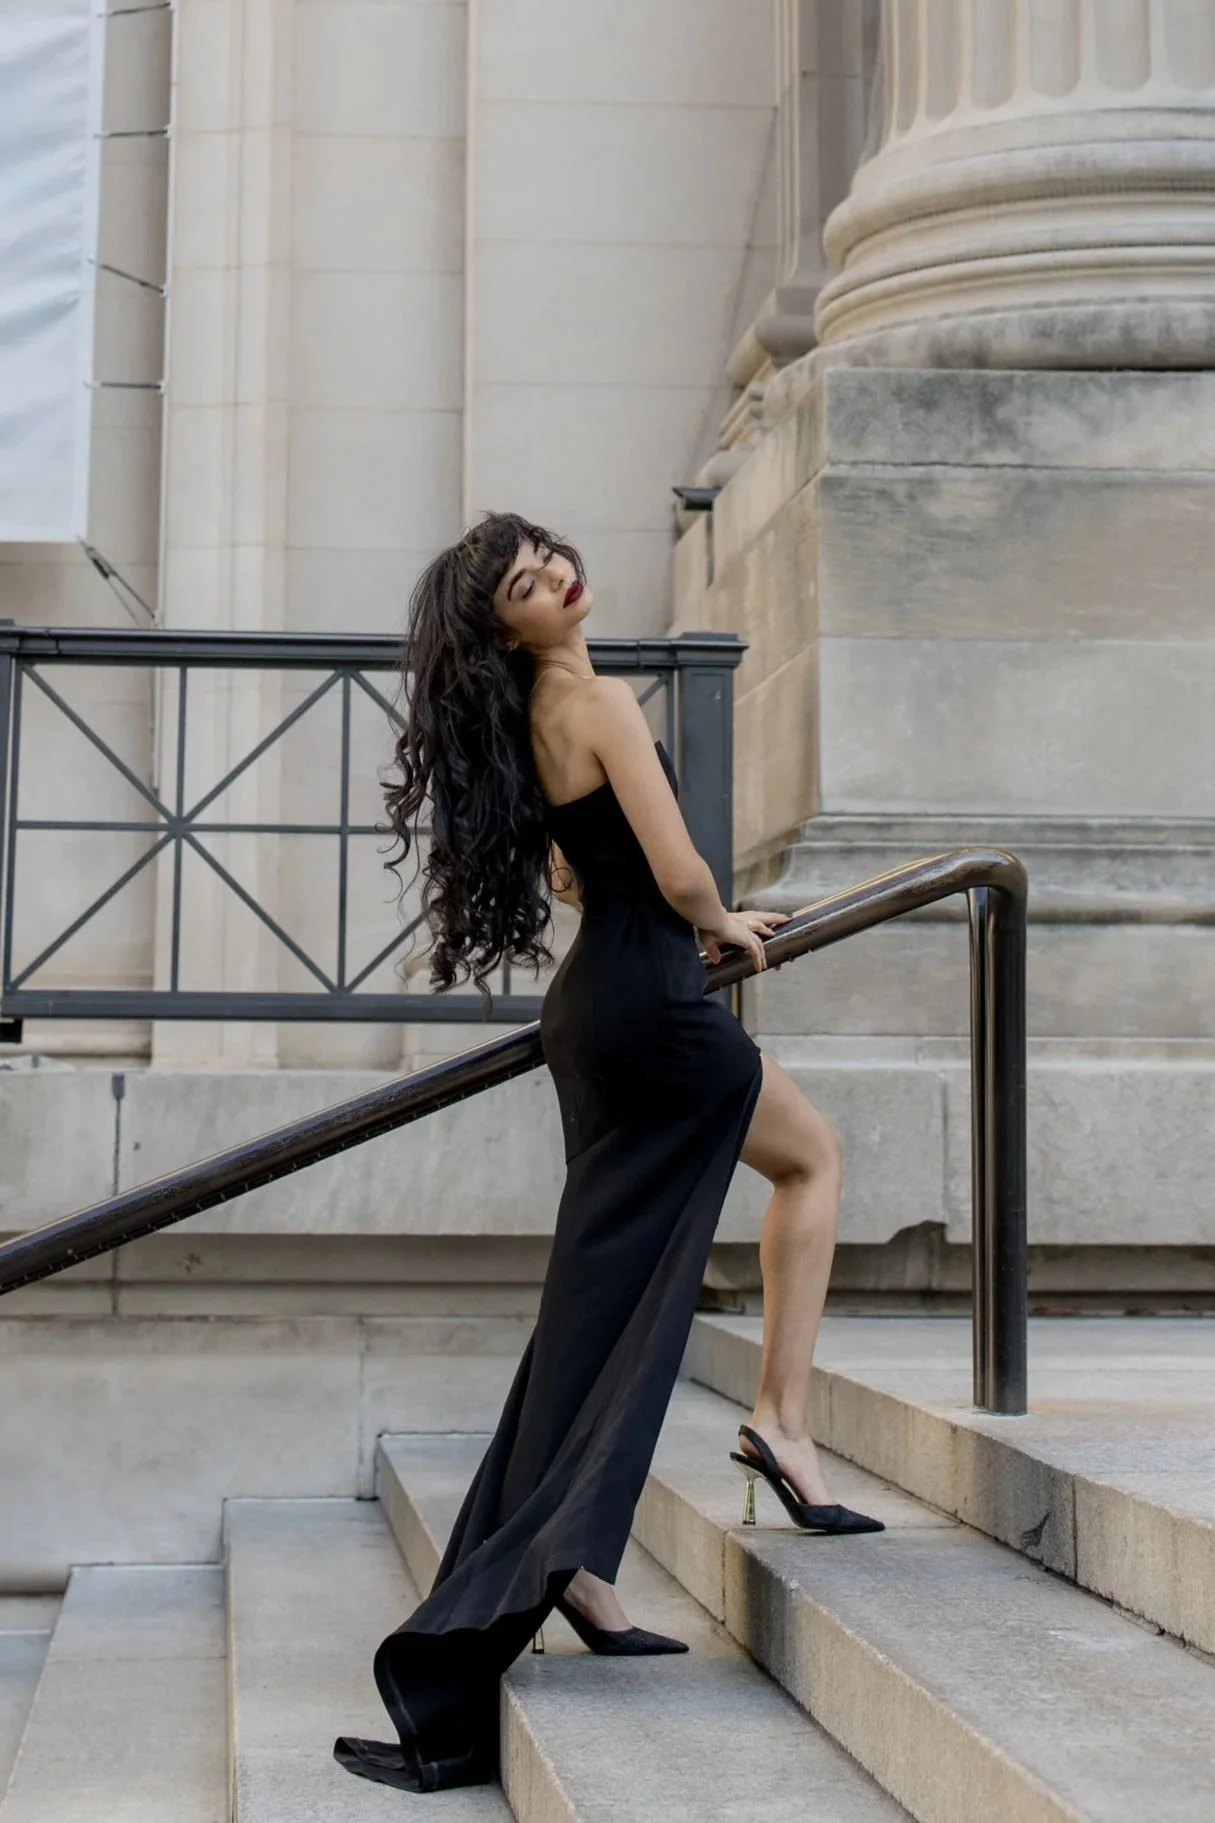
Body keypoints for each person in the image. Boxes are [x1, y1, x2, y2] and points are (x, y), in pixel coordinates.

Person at [334, 512, 881, 1795]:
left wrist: (659, 904)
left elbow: (582, 876)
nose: (559, 579)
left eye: (549, 559)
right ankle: (784, 1425)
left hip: (594, 1011)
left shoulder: (527, 713)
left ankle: (574, 1564)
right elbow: (682, 865)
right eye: (527, 584)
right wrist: (725, 920)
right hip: (655, 1004)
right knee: (810, 1162)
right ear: (509, 624)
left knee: (599, 1300)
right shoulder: (595, 698)